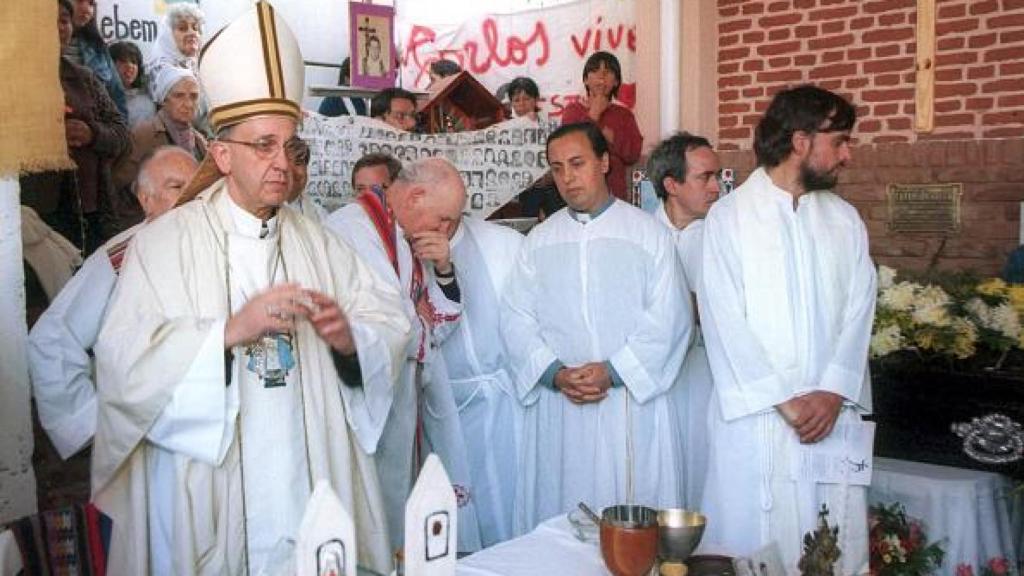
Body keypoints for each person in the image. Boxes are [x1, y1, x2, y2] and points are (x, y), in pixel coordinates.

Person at [90, 5, 409, 574]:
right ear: (221, 153)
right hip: (214, 495)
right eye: (263, 145)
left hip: (310, 480)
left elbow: (390, 323)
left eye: (290, 147)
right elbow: (121, 365)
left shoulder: (320, 242)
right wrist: (228, 332)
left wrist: (349, 340)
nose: (282, 163)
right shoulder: (165, 245)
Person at [698, 85, 874, 574]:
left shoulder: (844, 220)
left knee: (831, 548)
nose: (847, 154)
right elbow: (723, 319)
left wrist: (835, 391)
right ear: (800, 141)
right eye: (839, 140)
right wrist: (786, 401)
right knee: (755, 547)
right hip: (759, 422)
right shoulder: (730, 220)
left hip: (830, 422)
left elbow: (861, 309)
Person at [502, 122, 689, 534]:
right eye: (556, 167)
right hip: (562, 407)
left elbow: (670, 319)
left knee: (630, 523)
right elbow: (515, 319)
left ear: (604, 162)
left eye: (577, 163)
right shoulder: (539, 240)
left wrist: (614, 370)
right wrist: (555, 373)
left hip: (629, 407)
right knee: (560, 525)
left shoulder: (647, 234)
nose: (567, 177)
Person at [324, 155, 482, 553]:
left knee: (400, 511)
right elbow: (393, 323)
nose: (446, 230)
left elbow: (435, 327)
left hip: (401, 402)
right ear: (414, 196)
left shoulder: (403, 232)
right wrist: (416, 323)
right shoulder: (352, 229)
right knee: (372, 516)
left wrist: (444, 267)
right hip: (365, 403)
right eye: (444, 219)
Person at [28, 147, 199, 461]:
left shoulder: (218, 245)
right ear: (146, 200)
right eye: (177, 187)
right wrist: (88, 423)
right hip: (146, 438)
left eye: (199, 188)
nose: (192, 198)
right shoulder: (120, 257)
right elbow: (52, 337)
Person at [439, 188, 524, 547]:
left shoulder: (504, 243)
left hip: (502, 400)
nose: (441, 225)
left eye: (447, 215)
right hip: (443, 405)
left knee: (505, 497)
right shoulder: (401, 250)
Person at [646, 132, 721, 509]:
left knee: (705, 474)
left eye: (717, 176)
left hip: (708, 376)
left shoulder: (728, 237)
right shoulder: (639, 235)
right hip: (651, 383)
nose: (716, 187)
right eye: (704, 177)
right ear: (671, 185)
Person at [21, 0, 131, 255]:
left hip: (91, 210)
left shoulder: (85, 78)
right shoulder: (14, 82)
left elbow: (122, 133)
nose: (59, 27)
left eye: (64, 20)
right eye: (50, 20)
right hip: (36, 216)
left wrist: (93, 134)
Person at [112, 67, 206, 227]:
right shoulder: (144, 135)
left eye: (194, 96)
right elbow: (121, 186)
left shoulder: (198, 140)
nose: (188, 104)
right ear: (164, 99)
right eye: (179, 96)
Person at [560, 51, 642, 201]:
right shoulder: (572, 111)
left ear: (616, 81)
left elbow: (633, 154)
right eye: (595, 71)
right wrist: (594, 114)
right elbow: (568, 148)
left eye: (608, 72)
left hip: (614, 193)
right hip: (579, 190)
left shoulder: (624, 115)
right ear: (585, 79)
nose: (601, 76)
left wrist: (613, 140)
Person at [66, 0, 127, 117]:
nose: (87, 10)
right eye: (79, 1)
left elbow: (117, 96)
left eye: (91, 3)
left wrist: (118, 133)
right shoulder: (41, 45)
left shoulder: (98, 48)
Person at [109, 41, 156, 128]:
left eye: (134, 62)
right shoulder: (103, 98)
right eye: (123, 61)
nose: (129, 66)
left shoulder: (148, 98)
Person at [284, 136, 328, 221]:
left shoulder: (320, 215)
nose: (292, 171)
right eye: (286, 162)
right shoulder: (254, 214)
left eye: (298, 163)